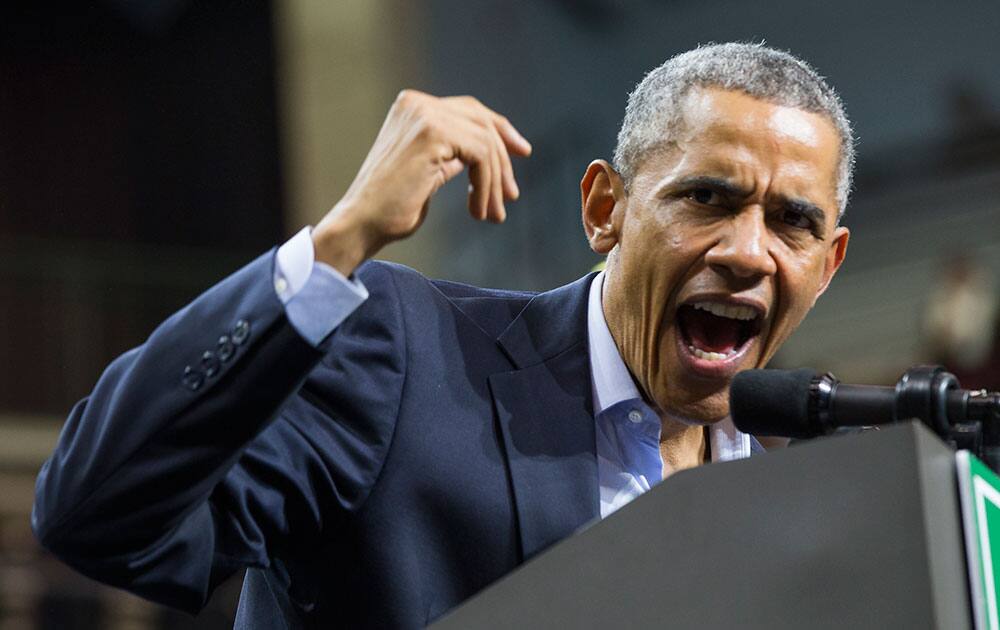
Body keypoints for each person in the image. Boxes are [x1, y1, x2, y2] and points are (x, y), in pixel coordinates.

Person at [32, 42, 853, 628]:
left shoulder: (796, 510)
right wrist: (340, 242)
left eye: (792, 222)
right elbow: (97, 514)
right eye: (707, 199)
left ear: (828, 263)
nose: (748, 252)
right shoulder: (408, 357)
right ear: (606, 210)